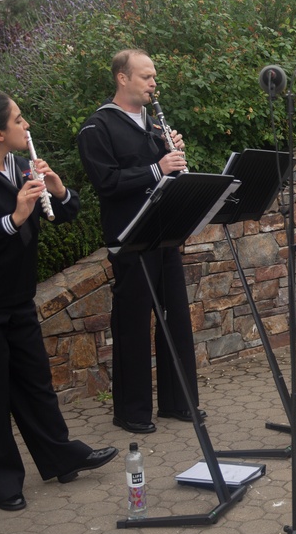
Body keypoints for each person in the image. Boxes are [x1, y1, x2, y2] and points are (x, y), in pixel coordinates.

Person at [0, 93, 118, 511]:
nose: (27, 125)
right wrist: (15, 217)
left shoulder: (18, 166)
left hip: (14, 297)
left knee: (34, 383)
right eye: (19, 120)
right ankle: (1, 479)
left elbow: (69, 212)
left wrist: (58, 189)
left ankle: (61, 455)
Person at [78, 49, 204, 434]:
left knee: (177, 318)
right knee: (133, 324)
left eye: (154, 77)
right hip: (130, 237)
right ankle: (131, 411)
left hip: (164, 233)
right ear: (122, 78)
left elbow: (167, 179)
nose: (153, 83)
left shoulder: (152, 126)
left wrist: (172, 154)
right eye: (146, 76)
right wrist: (156, 166)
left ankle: (178, 401)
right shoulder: (97, 128)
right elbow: (106, 183)